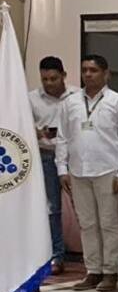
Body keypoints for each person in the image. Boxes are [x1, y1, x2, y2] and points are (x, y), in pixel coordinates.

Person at [55, 54, 118, 292]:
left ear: (106, 74)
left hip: (107, 170)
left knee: (108, 223)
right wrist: (62, 169)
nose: (88, 74)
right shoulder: (70, 102)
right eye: (84, 70)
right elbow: (62, 138)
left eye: (93, 70)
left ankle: (110, 271)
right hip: (78, 171)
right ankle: (93, 271)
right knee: (87, 224)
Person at [28, 56, 79, 274]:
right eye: (45, 79)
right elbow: (21, 127)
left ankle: (96, 260)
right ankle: (56, 257)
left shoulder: (77, 96)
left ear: (63, 76)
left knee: (84, 207)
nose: (49, 83)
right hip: (46, 156)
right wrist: (35, 132)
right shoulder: (31, 99)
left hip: (74, 157)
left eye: (53, 78)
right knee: (51, 209)